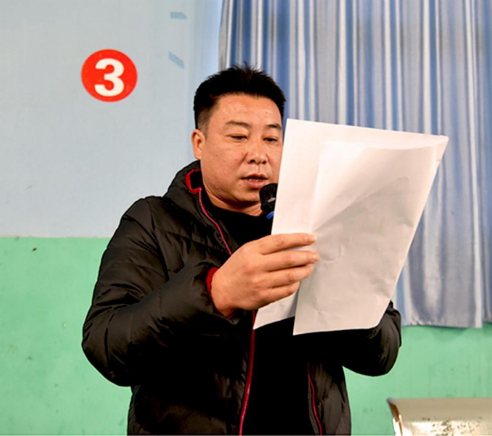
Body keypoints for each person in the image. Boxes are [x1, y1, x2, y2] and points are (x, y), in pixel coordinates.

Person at [82, 65, 402, 435]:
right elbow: (107, 346)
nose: (258, 154)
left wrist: (340, 293)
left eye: (272, 139)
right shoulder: (153, 222)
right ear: (199, 143)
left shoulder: (320, 224)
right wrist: (215, 293)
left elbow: (382, 354)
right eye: (238, 136)